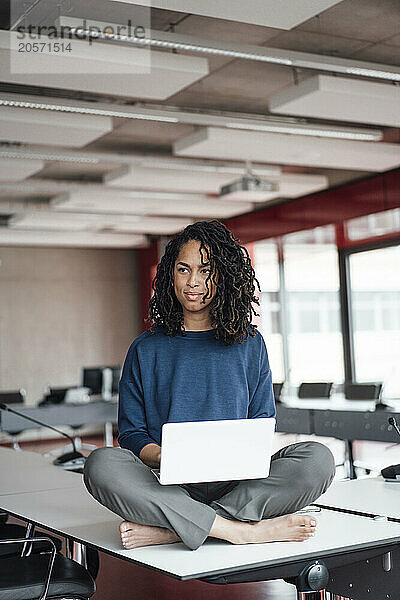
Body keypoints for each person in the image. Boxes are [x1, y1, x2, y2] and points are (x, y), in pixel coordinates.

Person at [84, 220, 335, 551]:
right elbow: (132, 434)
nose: (194, 282)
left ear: (223, 276)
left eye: (206, 270)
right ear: (169, 276)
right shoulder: (145, 348)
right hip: (170, 482)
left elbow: (261, 419)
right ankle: (239, 530)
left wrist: (236, 457)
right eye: (183, 270)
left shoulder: (250, 343)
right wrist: (165, 456)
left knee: (318, 459)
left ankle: (178, 528)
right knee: (101, 464)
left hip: (239, 482)